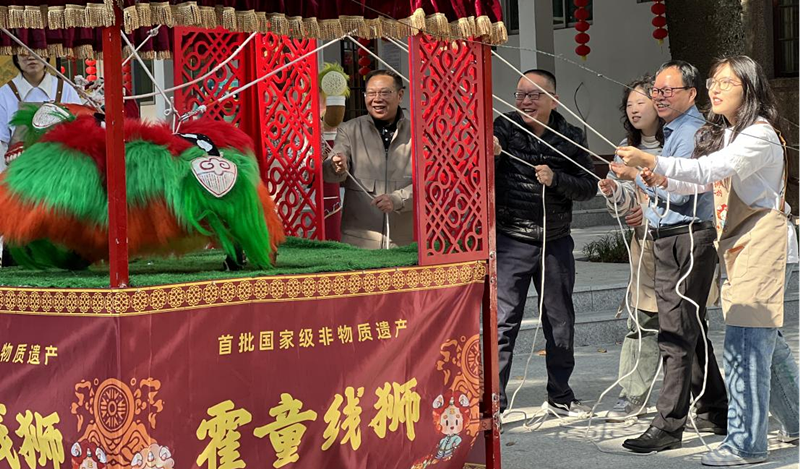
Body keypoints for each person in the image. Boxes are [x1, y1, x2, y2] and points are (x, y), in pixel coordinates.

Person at [619, 55, 800, 467]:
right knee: (766, 342)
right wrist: (662, 178)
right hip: (740, 244)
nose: (715, 89)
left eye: (726, 83)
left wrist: (654, 161)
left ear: (749, 89)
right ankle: (795, 421)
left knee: (745, 346)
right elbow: (703, 179)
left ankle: (745, 444)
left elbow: (711, 168)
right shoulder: (733, 132)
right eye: (714, 82)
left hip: (761, 245)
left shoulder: (758, 133)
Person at [618, 60, 728, 453]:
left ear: (692, 94)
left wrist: (637, 175)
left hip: (687, 237)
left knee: (675, 333)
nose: (659, 98)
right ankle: (716, 408)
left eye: (668, 91)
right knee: (688, 327)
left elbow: (681, 193)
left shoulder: (693, 131)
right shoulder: (676, 130)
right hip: (672, 236)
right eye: (657, 92)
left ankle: (668, 424)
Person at [492, 69, 597, 417]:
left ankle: (560, 396)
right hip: (512, 239)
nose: (526, 102)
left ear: (554, 100)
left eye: (534, 95)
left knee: (560, 321)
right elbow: (477, 171)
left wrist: (556, 180)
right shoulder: (503, 128)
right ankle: (494, 402)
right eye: (520, 95)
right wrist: (491, 155)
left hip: (555, 241)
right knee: (503, 322)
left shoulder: (570, 137)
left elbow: (588, 187)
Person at [597, 75, 664, 421]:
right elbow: (626, 204)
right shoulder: (626, 147)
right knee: (640, 322)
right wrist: (615, 194)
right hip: (645, 249)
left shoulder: (680, 142)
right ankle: (633, 394)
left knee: (687, 328)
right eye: (629, 104)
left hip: (679, 245)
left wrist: (649, 211)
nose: (634, 109)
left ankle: (699, 397)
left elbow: (687, 192)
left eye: (641, 102)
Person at [0, 53, 82, 267]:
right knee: (20, 240)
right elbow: (2, 142)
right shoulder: (5, 93)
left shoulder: (66, 90)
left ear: (46, 55)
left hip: (59, 176)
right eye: (23, 53)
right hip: (21, 176)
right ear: (15, 58)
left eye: (36, 51)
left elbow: (81, 130)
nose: (30, 57)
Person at [322, 69, 412, 249]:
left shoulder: (418, 132)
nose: (377, 99)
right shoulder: (349, 129)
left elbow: (430, 182)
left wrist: (397, 200)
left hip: (406, 241)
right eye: (371, 93)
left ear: (400, 95)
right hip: (359, 241)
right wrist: (336, 165)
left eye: (384, 93)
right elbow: (331, 171)